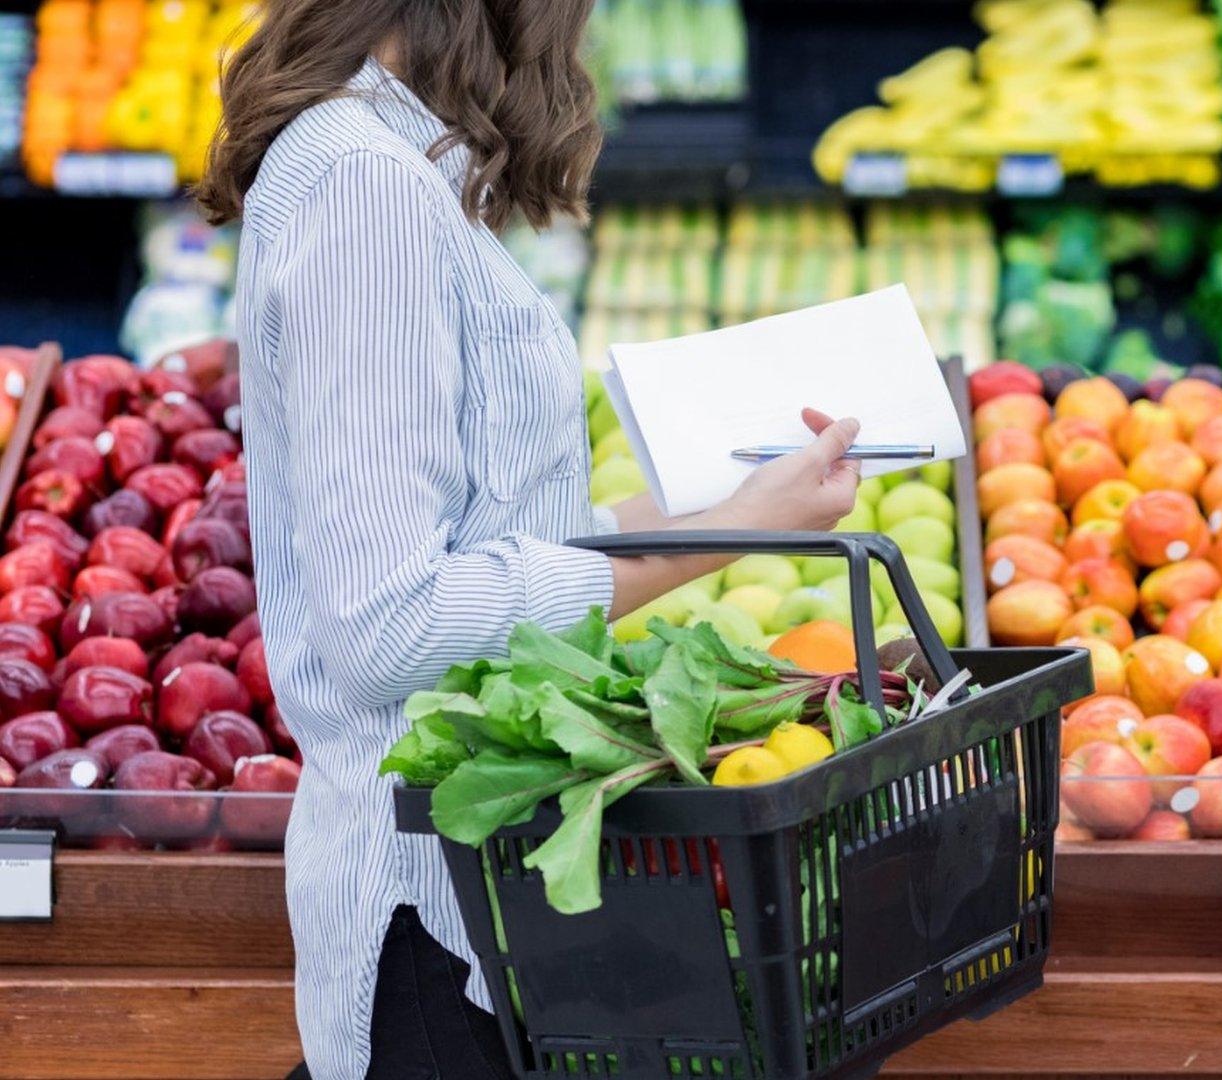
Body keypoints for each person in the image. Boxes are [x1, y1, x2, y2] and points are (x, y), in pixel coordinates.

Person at [197, 2, 861, 1076]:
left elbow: (504, 539)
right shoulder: (366, 190)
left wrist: (747, 508)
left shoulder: (391, 165)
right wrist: (712, 547)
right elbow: (391, 623)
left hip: (491, 903)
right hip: (430, 914)